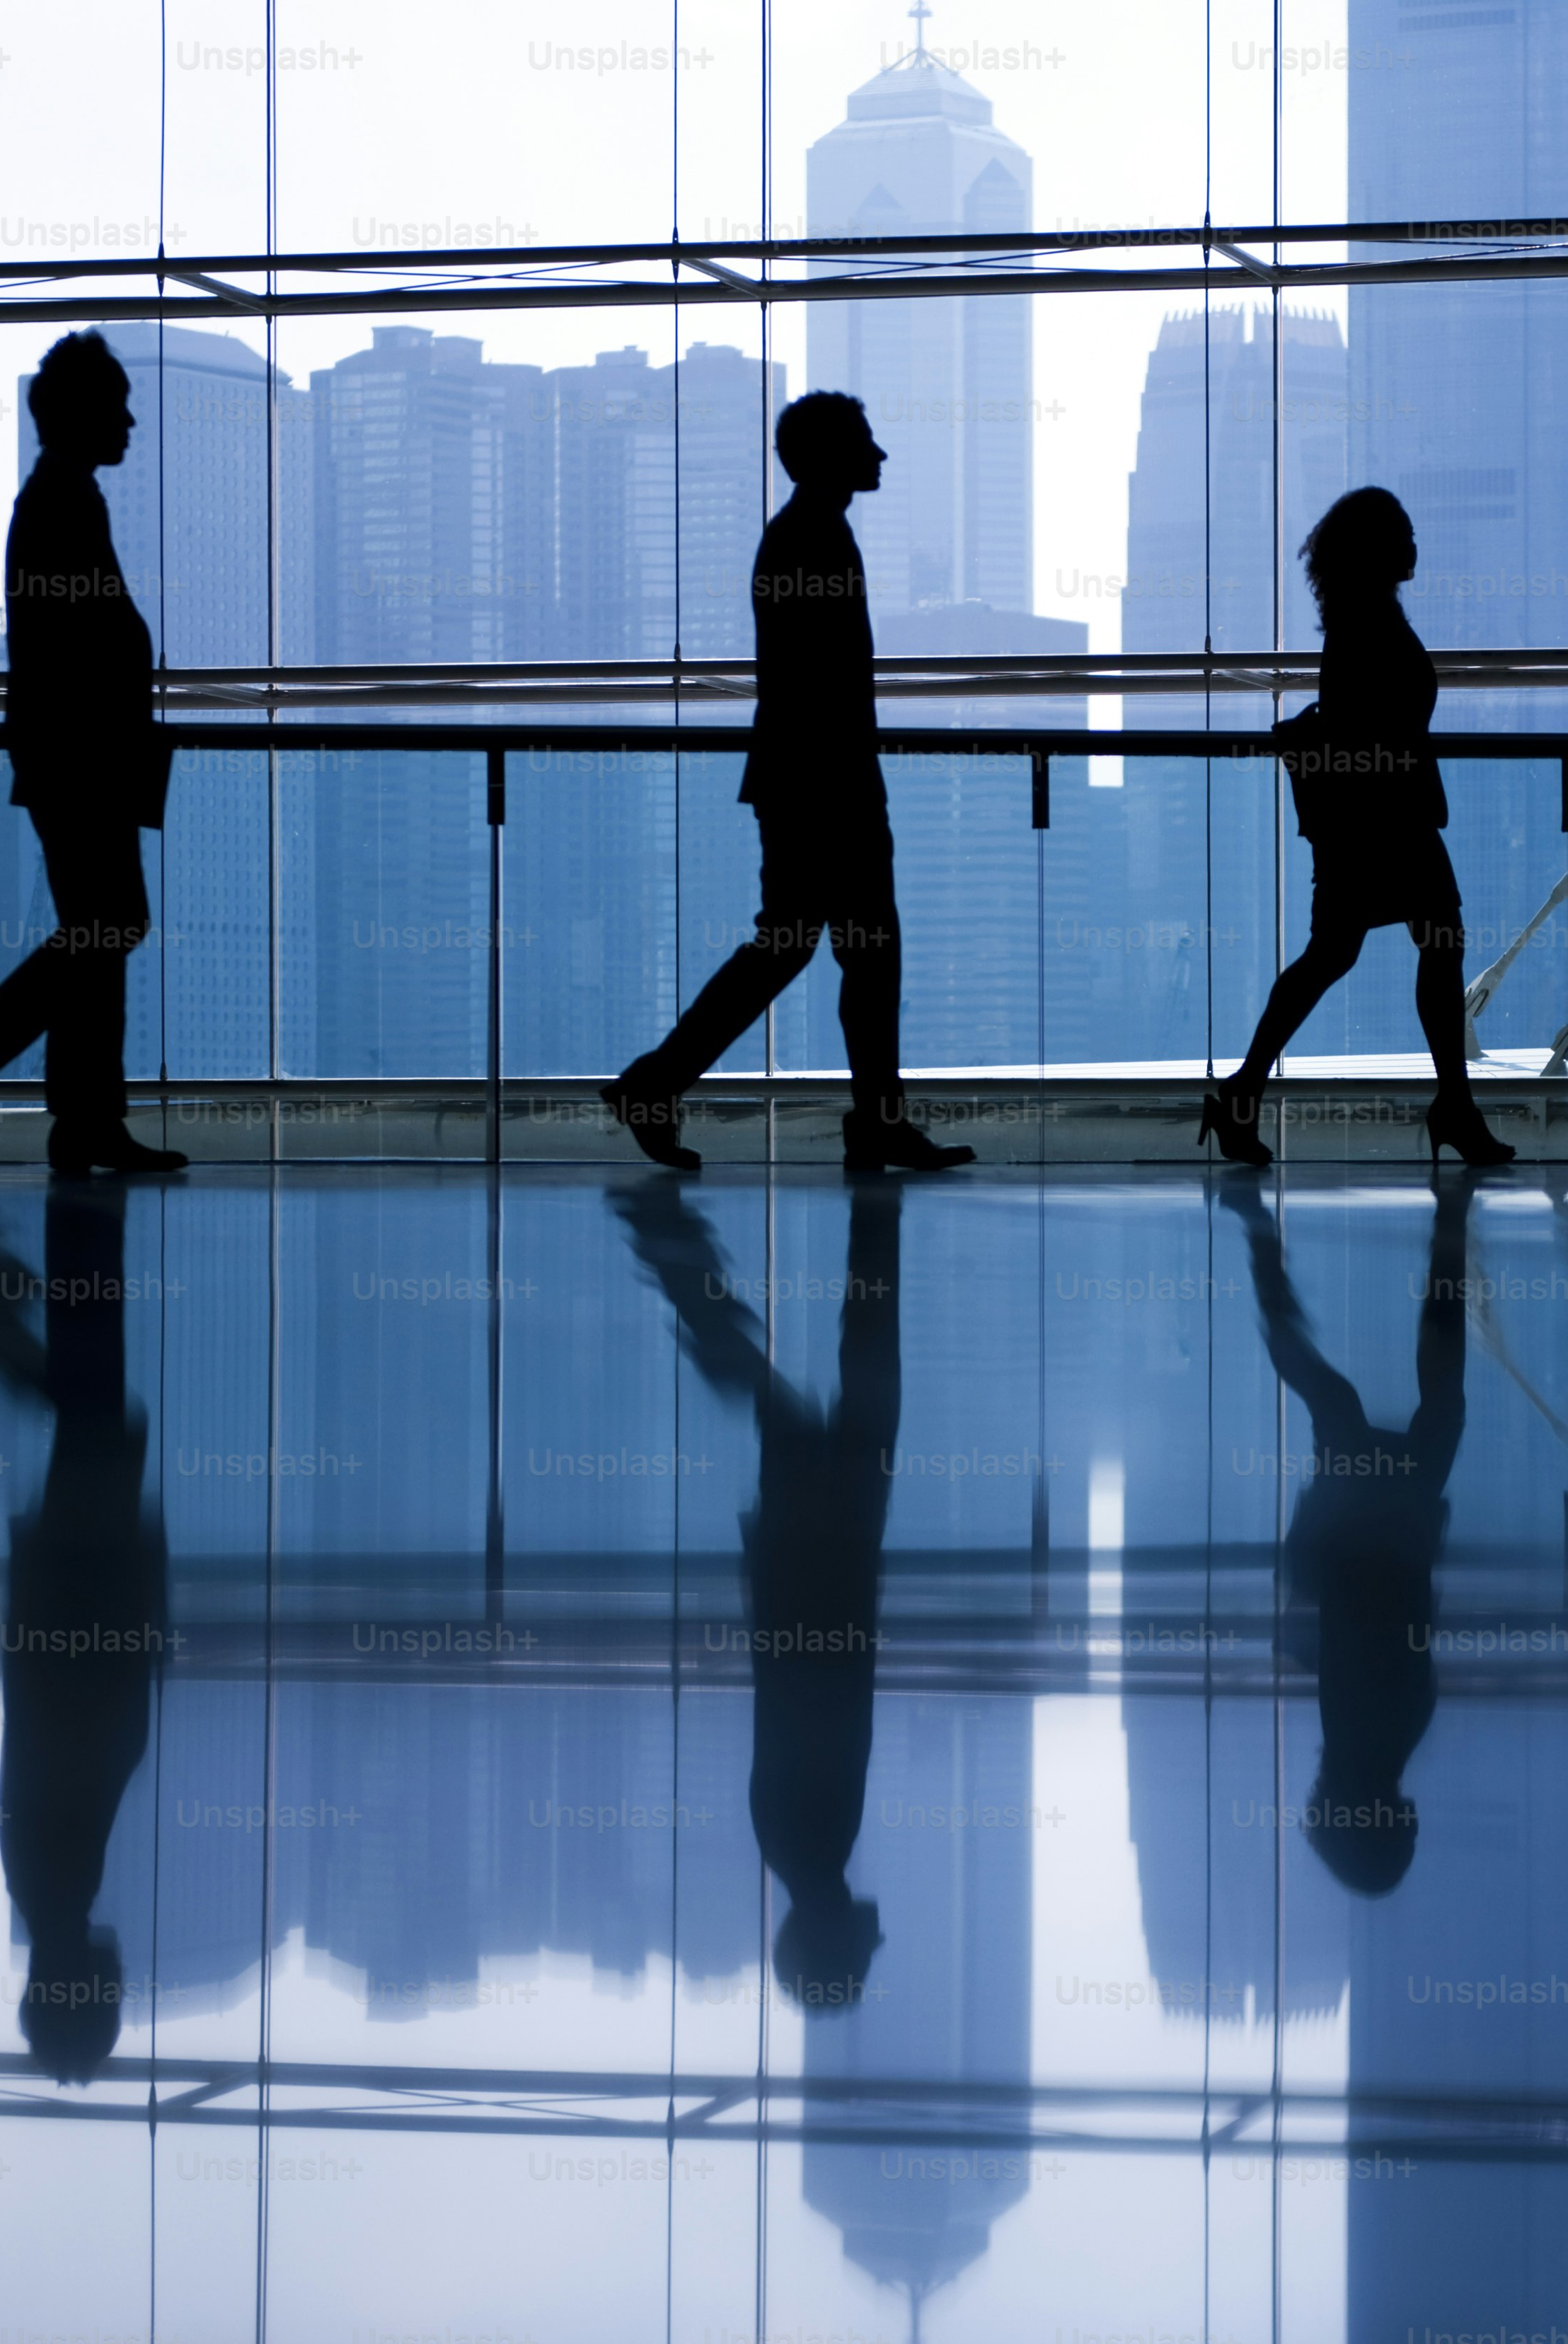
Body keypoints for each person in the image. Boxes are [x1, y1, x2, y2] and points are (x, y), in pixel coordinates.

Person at [603, 393, 972, 1176]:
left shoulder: (805, 533)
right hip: (824, 782)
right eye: (865, 444)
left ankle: (663, 1084)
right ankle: (857, 1120)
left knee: (805, 948)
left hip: (807, 777)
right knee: (847, 951)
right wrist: (850, 779)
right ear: (831, 456)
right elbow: (821, 681)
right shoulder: (811, 539)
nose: (879, 457)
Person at [611, 1178, 900, 2009]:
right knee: (790, 1374)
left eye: (860, 1953)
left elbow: (818, 1691)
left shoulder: (811, 1846)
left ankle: (671, 1231)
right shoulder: (798, 1849)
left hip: (828, 1552)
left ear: (830, 1942)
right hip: (811, 1558)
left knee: (854, 1357)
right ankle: (670, 1235)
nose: (876, 1938)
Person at [0, 331, 183, 1178]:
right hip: (82, 760)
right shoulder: (62, 503)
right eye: (119, 405)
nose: (132, 422)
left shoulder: (60, 498)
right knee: (110, 927)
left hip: (75, 756)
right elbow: (82, 646)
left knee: (94, 934)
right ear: (80, 412)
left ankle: (84, 1119)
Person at [0, 1180, 163, 2079]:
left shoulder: (54, 1887)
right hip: (70, 1606)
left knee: (101, 1419)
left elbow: (83, 1731)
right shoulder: (45, 1890)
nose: (121, 1985)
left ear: (81, 1992)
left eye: (107, 2003)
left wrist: (130, 1627)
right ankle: (8, 1285)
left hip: (82, 1600)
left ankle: (33, 1262)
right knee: (98, 1416)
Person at [1199, 488, 1513, 1170]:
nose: (1414, 546)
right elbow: (1365, 725)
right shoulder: (1366, 623)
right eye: (1402, 533)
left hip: (1374, 820)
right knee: (1413, 944)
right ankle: (1450, 1105)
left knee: (1351, 952)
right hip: (1385, 820)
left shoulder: (1361, 618)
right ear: (1376, 549)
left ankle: (1245, 1091)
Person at [1223, 1174, 1470, 1896]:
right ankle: (1258, 1233)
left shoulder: (1387, 1740)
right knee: (1331, 1390)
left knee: (1426, 1397)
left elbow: (1397, 1635)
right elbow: (1359, 1635)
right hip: (1365, 1529)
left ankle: (1448, 1220)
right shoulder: (1362, 1742)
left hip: (1390, 1524)